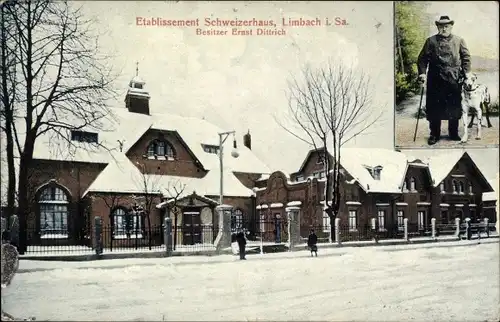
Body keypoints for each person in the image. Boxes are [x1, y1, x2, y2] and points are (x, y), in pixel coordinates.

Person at [416, 15, 472, 145]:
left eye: (446, 26)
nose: (444, 28)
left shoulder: (459, 41)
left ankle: (453, 133)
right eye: (441, 26)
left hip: (454, 79)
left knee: (454, 106)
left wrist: (467, 73)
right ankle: (434, 134)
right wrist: (422, 74)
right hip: (435, 79)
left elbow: (466, 58)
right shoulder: (431, 41)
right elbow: (422, 59)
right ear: (438, 27)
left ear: (451, 26)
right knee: (435, 107)